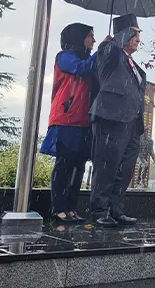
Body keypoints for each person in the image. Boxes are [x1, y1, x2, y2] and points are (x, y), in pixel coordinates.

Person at [40, 23, 102, 223]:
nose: (93, 40)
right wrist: (101, 51)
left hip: (83, 121)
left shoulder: (88, 60)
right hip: (66, 119)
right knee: (64, 165)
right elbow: (81, 69)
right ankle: (58, 209)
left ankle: (71, 208)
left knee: (79, 167)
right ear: (79, 37)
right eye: (90, 36)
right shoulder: (64, 57)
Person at [89, 14, 146, 227]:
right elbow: (109, 49)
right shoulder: (108, 52)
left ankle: (116, 209)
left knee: (125, 169)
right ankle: (99, 210)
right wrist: (112, 40)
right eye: (135, 33)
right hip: (111, 118)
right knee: (107, 165)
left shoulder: (131, 62)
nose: (138, 39)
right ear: (123, 33)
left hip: (132, 123)